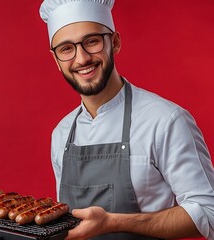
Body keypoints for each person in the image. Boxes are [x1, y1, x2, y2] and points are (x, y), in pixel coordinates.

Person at [39, 0, 214, 239]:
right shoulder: (62, 134)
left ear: (115, 42)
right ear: (56, 60)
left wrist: (112, 222)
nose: (81, 59)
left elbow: (208, 212)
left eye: (91, 41)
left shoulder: (165, 121)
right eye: (66, 48)